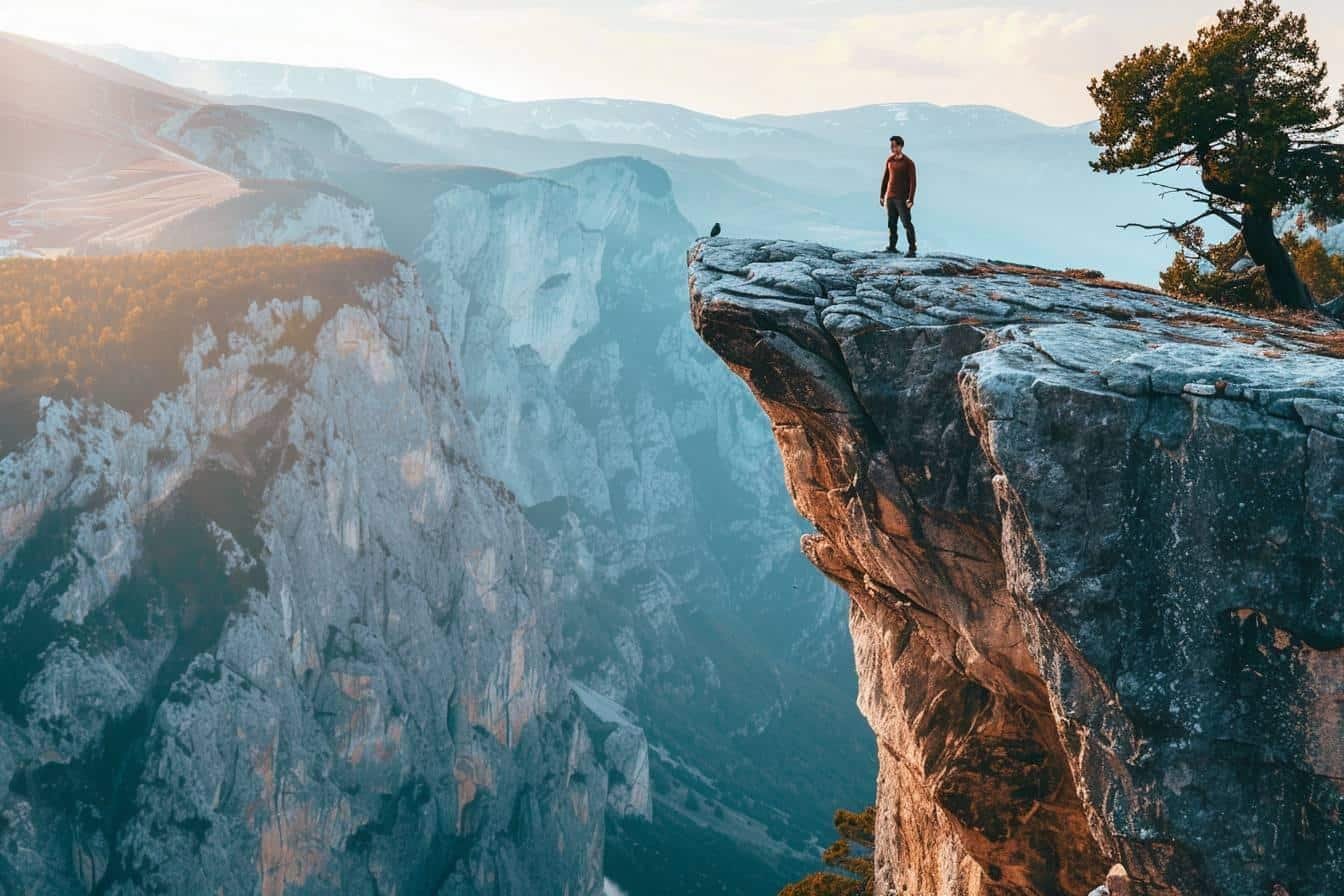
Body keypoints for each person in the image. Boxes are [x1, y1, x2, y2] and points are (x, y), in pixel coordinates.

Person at [880, 135, 917, 257]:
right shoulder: (890, 160)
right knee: (891, 223)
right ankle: (892, 247)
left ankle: (912, 249)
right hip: (890, 197)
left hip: (902, 198)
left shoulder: (908, 163)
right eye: (891, 145)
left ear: (900, 146)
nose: (892, 148)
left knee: (906, 223)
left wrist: (910, 199)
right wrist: (882, 195)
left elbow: (913, 182)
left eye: (894, 145)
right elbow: (886, 178)